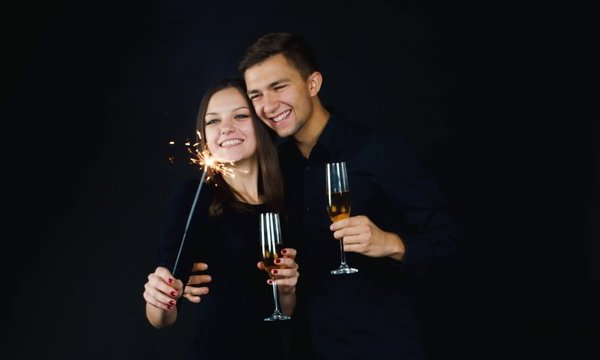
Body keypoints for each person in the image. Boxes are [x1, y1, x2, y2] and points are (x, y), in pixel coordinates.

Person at [184, 33, 466, 359]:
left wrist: (391, 243)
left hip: (381, 347)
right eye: (256, 95)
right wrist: (196, 280)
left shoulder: (379, 152)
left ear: (313, 83)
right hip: (308, 350)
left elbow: (452, 246)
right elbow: (256, 252)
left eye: (279, 87)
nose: (269, 105)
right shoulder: (276, 170)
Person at [142, 78, 300, 360]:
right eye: (213, 121)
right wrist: (159, 296)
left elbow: (285, 314)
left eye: (240, 115)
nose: (226, 128)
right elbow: (160, 318)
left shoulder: (289, 196)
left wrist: (286, 291)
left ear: (261, 124)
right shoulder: (194, 198)